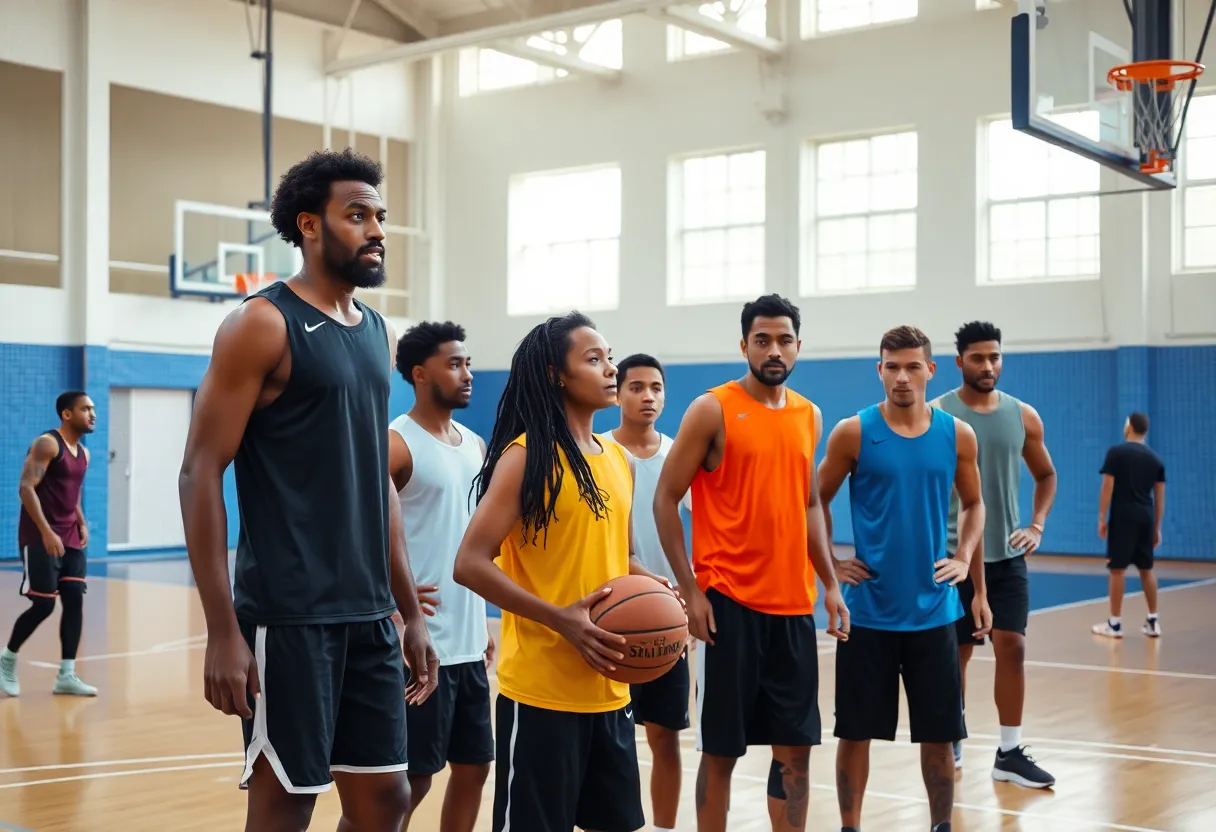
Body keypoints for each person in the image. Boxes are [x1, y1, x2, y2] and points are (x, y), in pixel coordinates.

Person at [179, 148, 438, 832]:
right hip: (288, 614)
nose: (377, 229)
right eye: (358, 215)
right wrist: (222, 631)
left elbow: (372, 475)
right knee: (286, 804)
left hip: (368, 612)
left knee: (388, 800)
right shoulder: (260, 324)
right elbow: (201, 469)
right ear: (311, 226)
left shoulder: (378, 333)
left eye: (381, 216)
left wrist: (408, 610)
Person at [453, 311, 667, 832]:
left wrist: (656, 588)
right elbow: (470, 563)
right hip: (543, 693)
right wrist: (560, 618)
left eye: (609, 357)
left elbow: (616, 554)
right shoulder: (526, 459)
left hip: (612, 689)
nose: (610, 369)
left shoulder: (619, 461)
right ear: (557, 375)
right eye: (594, 360)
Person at [653, 293, 848, 832]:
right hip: (727, 609)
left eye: (784, 339)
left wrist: (830, 583)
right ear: (744, 345)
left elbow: (809, 503)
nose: (774, 349)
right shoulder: (712, 408)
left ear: (798, 346)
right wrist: (691, 591)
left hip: (792, 611)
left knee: (796, 753)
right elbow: (665, 497)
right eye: (762, 339)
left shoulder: (810, 414)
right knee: (721, 754)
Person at [816, 325, 990, 832]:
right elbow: (814, 501)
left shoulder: (957, 434)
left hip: (934, 611)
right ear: (880, 371)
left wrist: (963, 558)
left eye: (913, 366)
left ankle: (941, 827)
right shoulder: (853, 431)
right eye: (892, 366)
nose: (902, 377)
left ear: (931, 371)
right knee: (855, 734)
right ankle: (851, 826)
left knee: (939, 736)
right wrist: (830, 562)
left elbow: (976, 503)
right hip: (868, 611)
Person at [932, 321, 1058, 788]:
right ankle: (952, 737)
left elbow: (1046, 475)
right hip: (952, 558)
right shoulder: (936, 414)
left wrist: (1037, 524)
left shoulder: (1023, 415)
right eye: (979, 358)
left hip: (1005, 557)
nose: (988, 366)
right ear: (959, 360)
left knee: (1014, 646)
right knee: (957, 655)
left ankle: (1008, 752)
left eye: (995, 357)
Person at [389, 320, 494, 832]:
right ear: (419, 373)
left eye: (467, 362)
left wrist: (481, 628)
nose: (467, 373)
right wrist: (393, 607)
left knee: (474, 767)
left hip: (468, 642)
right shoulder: (396, 443)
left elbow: (471, 540)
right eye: (454, 364)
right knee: (414, 779)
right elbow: (356, 531)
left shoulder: (474, 445)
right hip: (420, 644)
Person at [602, 353, 692, 832]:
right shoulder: (597, 451)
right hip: (609, 616)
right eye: (636, 387)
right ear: (617, 392)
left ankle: (664, 827)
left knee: (666, 737)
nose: (648, 396)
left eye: (656, 387)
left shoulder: (678, 455)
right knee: (608, 736)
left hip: (664, 619)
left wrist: (691, 599)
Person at [0, 391, 98, 698]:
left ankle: (66, 675)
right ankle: (7, 659)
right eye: (86, 409)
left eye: (93, 409)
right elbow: (26, 488)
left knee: (74, 599)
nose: (93, 414)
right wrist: (45, 532)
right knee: (44, 604)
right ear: (67, 414)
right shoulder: (47, 444)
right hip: (40, 535)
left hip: (70, 536)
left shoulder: (84, 453)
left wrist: (80, 521)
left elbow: (71, 492)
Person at [1093, 411, 1166, 639]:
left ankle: (1114, 624)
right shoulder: (1155, 459)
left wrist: (1102, 516)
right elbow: (1160, 497)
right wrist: (1156, 527)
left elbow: (1108, 487)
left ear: (1130, 427)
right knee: (1147, 569)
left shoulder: (1116, 453)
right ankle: (1153, 621)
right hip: (1146, 516)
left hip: (1124, 517)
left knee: (1117, 569)